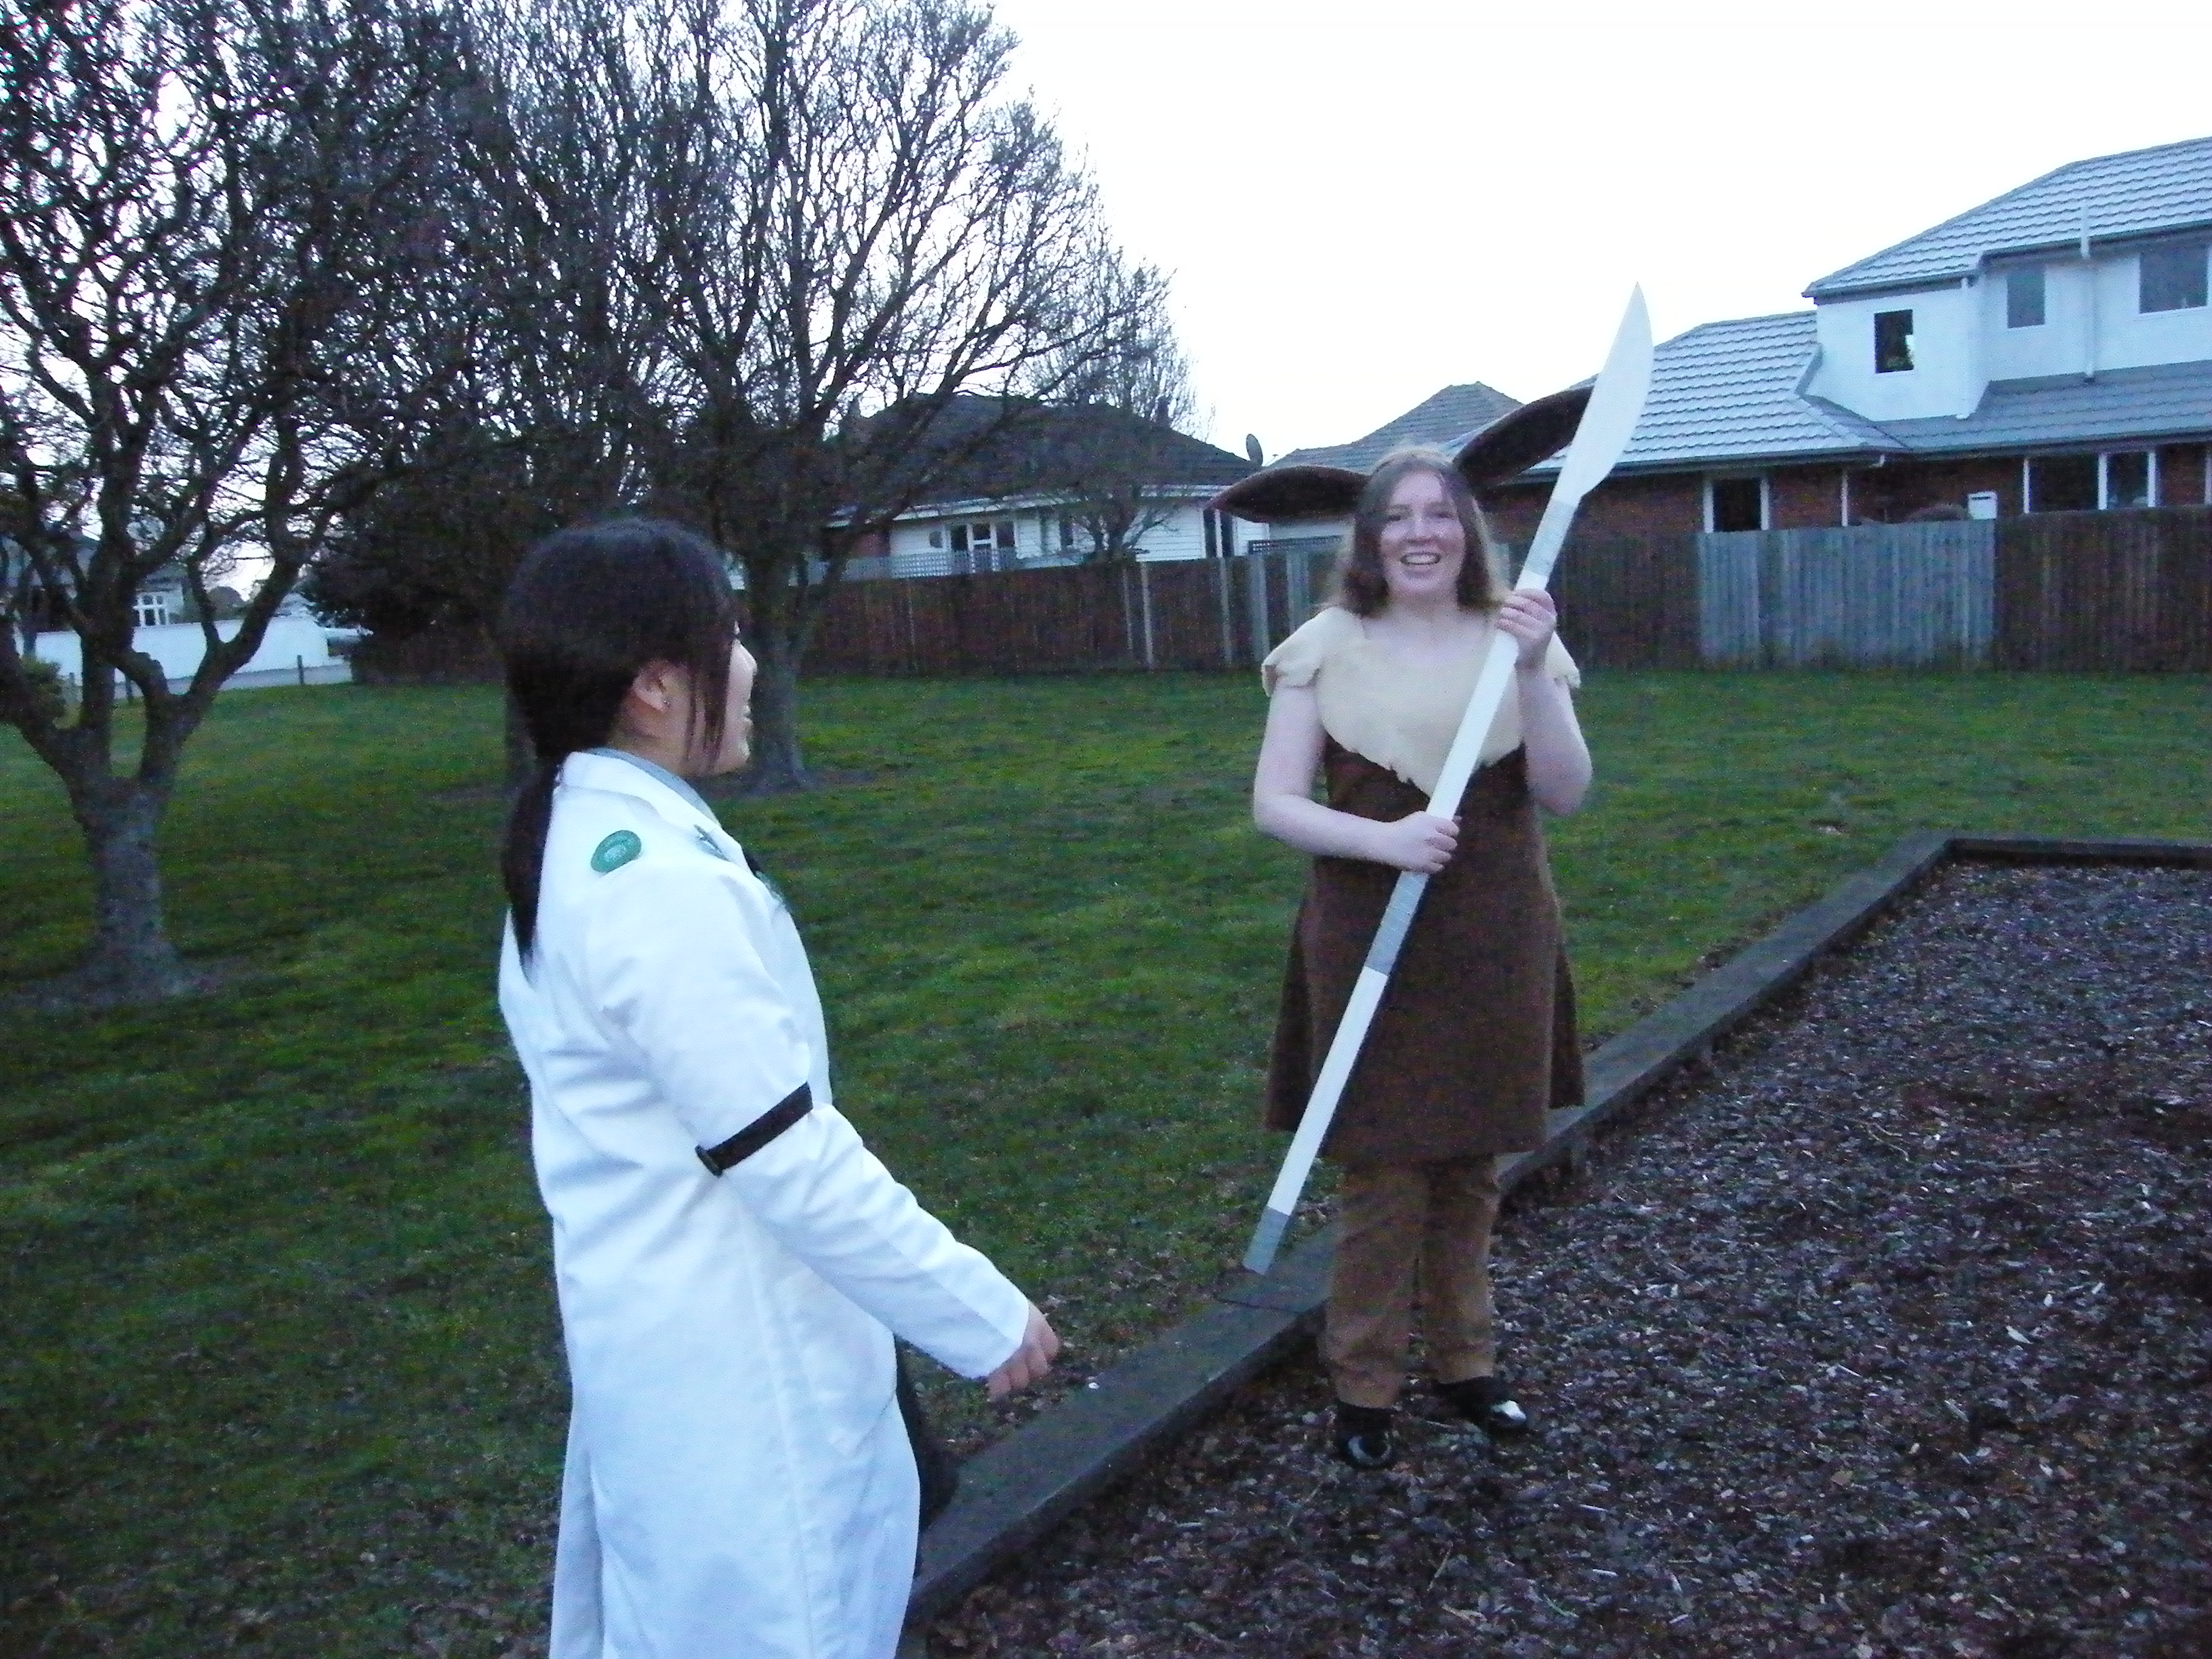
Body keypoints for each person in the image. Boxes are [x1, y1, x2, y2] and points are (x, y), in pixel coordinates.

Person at [494, 518, 1059, 1659]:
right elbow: (782, 1153)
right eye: (732, 636)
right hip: (737, 1371)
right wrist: (975, 1310)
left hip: (673, 1341)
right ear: (655, 686)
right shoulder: (651, 882)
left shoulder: (587, 838)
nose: (749, 666)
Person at [1248, 449, 1591, 1471]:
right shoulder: (1324, 646)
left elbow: (1566, 791)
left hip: (1495, 928)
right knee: (1387, 1170)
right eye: (1396, 517)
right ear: (1369, 538)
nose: (1419, 534)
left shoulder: (1517, 640)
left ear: (1468, 533)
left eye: (1439, 514)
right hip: (1371, 930)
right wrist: (1384, 839)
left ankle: (1465, 1362)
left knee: (1474, 1166)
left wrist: (1531, 668)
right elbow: (1275, 803)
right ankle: (1363, 1383)